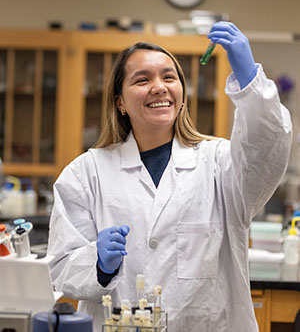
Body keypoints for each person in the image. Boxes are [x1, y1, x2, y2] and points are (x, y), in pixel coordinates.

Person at [47, 22, 292, 332]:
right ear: (120, 101)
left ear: (182, 95)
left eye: (169, 77)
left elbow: (266, 151)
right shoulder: (86, 174)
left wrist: (250, 82)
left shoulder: (221, 164)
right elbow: (60, 267)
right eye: (142, 79)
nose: (159, 87)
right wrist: (97, 264)